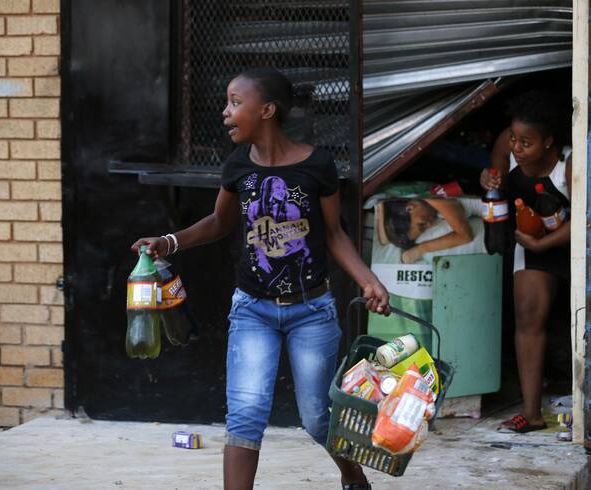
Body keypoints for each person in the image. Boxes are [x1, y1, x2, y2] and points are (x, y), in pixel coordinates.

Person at [131, 67, 389, 490]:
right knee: (246, 414)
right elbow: (219, 222)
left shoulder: (318, 165)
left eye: (235, 102)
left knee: (317, 417)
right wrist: (170, 241)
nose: (225, 112)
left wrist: (368, 280)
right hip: (253, 310)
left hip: (312, 310)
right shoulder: (237, 166)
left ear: (266, 110)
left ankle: (352, 475)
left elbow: (335, 234)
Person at [479, 91, 571, 433]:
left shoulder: (568, 162)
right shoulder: (507, 142)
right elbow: (495, 185)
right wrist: (486, 179)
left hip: (570, 243)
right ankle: (531, 412)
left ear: (548, 141)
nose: (517, 147)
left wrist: (545, 243)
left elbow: (584, 219)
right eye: (515, 138)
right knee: (528, 315)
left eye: (527, 142)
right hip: (531, 241)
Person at [374, 197, 474, 264]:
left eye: (421, 225)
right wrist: (381, 206)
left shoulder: (434, 199)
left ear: (409, 208)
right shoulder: (423, 203)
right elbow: (384, 240)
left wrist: (421, 249)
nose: (430, 225)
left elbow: (465, 236)